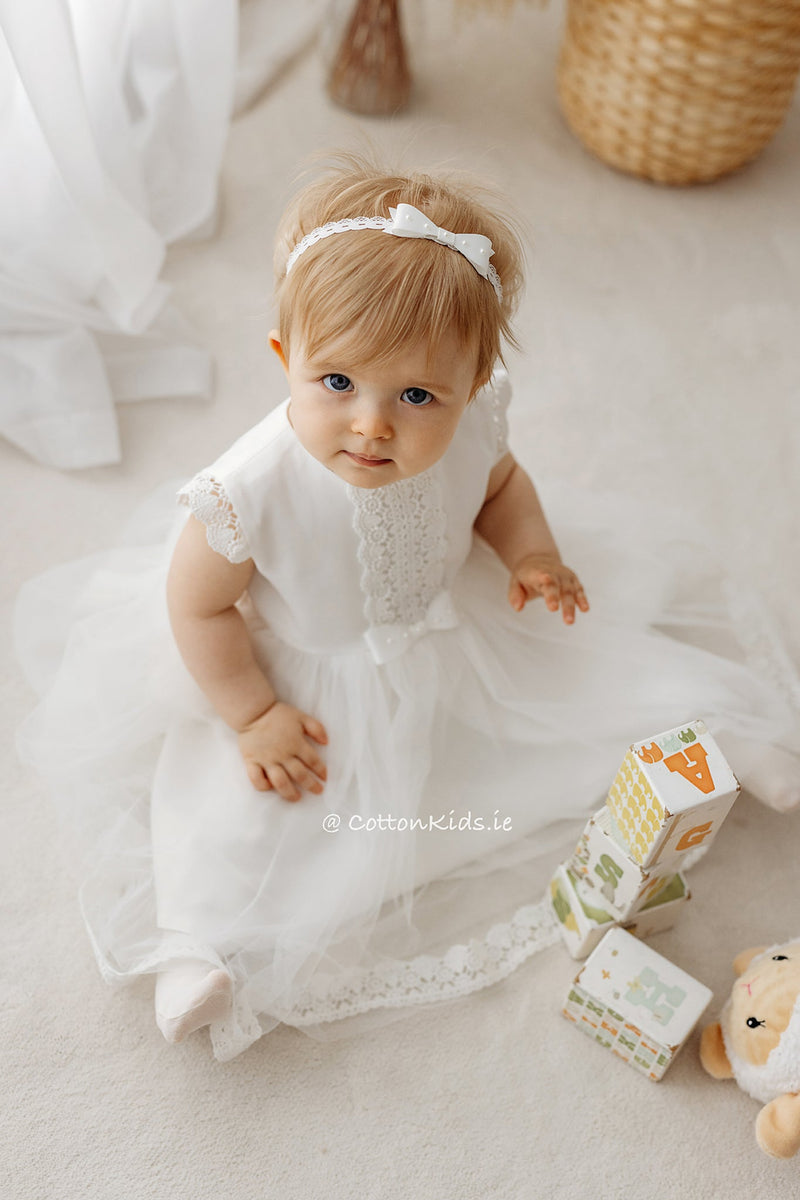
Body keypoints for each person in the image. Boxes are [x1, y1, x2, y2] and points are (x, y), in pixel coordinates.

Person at [15, 153, 800, 1061]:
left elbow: (501, 485)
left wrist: (531, 551)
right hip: (300, 676)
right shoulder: (244, 491)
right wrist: (255, 713)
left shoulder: (474, 427)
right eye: (337, 383)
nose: (372, 424)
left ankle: (706, 738)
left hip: (454, 617)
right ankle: (194, 943)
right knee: (243, 811)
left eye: (417, 395)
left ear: (470, 391)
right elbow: (197, 612)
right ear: (284, 359)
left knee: (587, 667)